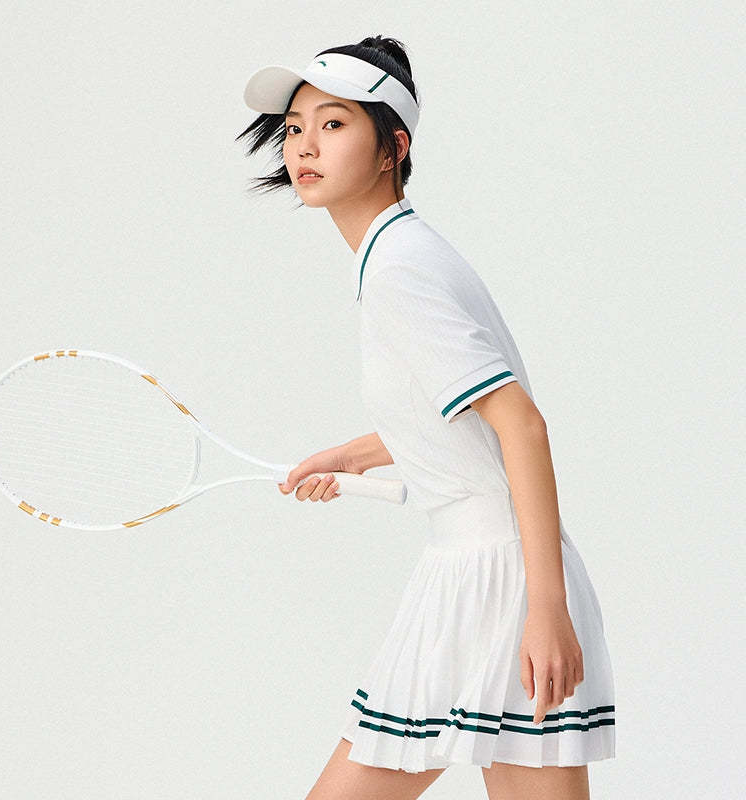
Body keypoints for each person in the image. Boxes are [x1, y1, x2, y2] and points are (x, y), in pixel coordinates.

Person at [239, 34, 615, 800]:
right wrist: (354, 454)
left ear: (393, 148)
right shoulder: (400, 253)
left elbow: (522, 425)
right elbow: (457, 417)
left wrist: (545, 608)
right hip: (479, 574)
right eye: (295, 127)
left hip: (499, 579)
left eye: (333, 124)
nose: (304, 145)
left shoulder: (400, 268)